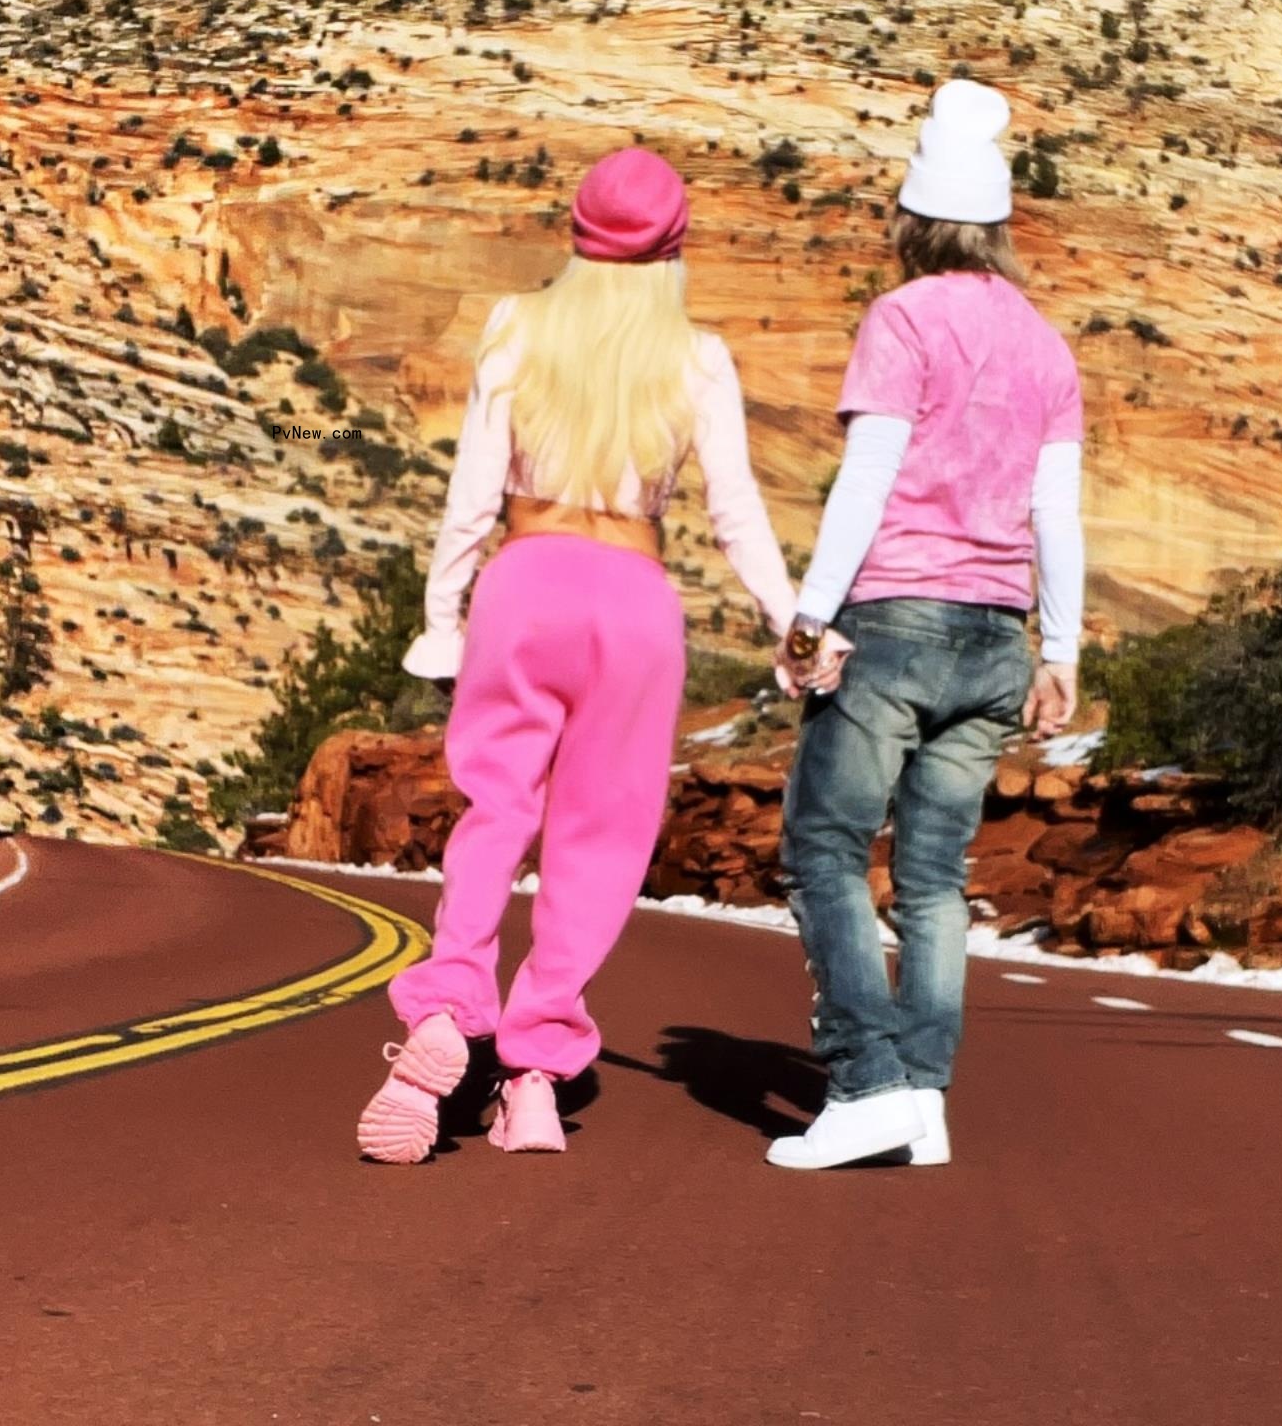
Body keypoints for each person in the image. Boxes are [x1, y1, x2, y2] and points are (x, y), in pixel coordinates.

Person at [357, 147, 801, 1163]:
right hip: (634, 602)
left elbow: (470, 495)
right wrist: (789, 619)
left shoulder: (518, 327)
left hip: (526, 579)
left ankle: (446, 1007)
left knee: (495, 809)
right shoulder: (696, 355)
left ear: (576, 232)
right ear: (676, 244)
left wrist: (442, 616)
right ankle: (536, 1077)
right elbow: (736, 517)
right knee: (597, 843)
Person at [766, 79, 1086, 1171]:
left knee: (825, 847)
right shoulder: (1047, 348)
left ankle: (866, 1084)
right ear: (997, 230)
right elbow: (1057, 513)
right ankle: (924, 1096)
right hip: (998, 639)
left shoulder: (901, 319)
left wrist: (810, 617)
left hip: (894, 620)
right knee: (939, 875)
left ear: (912, 221)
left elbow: (868, 480)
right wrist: (1063, 649)